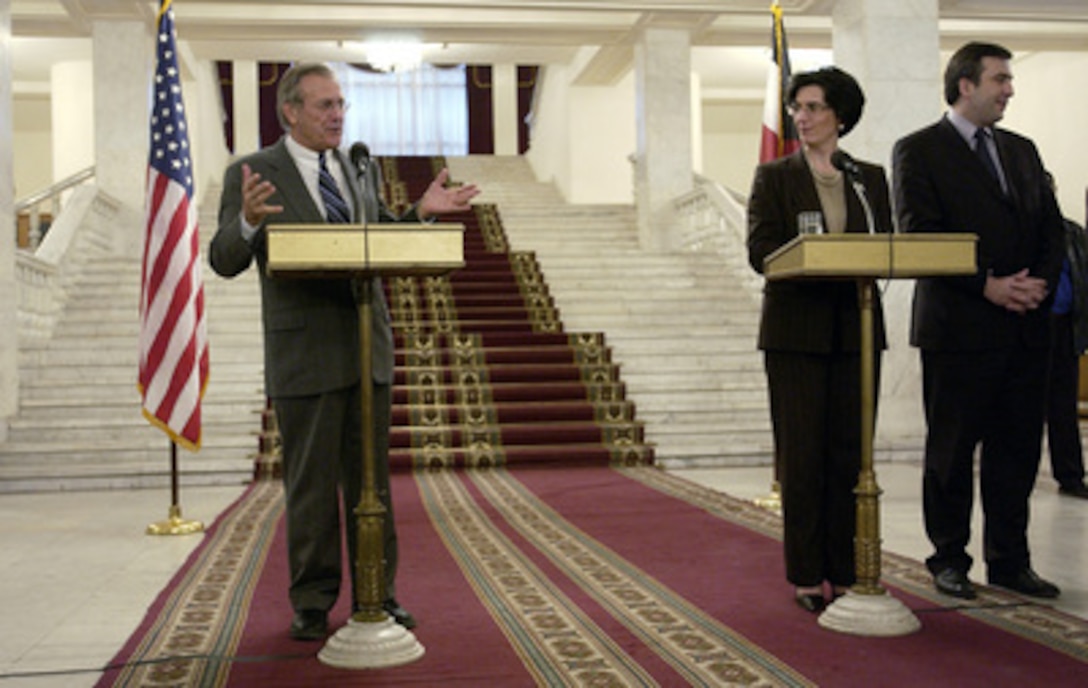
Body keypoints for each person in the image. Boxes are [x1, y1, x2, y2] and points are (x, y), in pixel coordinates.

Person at [209, 62, 479, 640]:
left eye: (340, 105)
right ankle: (312, 600)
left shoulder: (358, 166)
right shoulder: (253, 172)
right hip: (303, 354)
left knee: (371, 484)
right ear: (291, 111)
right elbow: (223, 258)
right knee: (309, 488)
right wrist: (249, 222)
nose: (337, 115)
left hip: (365, 346)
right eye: (324, 105)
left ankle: (380, 591)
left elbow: (375, 235)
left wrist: (421, 214)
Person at [892, 42, 1065, 600]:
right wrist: (988, 285)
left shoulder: (1022, 149)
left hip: (1025, 325)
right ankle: (948, 558)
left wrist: (1034, 283)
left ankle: (1010, 561)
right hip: (959, 327)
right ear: (966, 84)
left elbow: (1051, 228)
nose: (1009, 89)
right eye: (1000, 79)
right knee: (952, 450)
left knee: (1016, 450)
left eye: (1009, 79)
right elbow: (921, 236)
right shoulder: (919, 150)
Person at [747, 67, 893, 614]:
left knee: (850, 457)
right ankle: (808, 575)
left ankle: (849, 568)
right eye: (796, 109)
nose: (801, 118)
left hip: (857, 329)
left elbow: (887, 243)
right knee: (804, 458)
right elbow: (760, 249)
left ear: (840, 115)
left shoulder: (867, 177)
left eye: (812, 108)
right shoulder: (775, 177)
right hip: (796, 332)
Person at [1044, 176, 1088, 500]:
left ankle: (1071, 475)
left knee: (1063, 406)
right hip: (1031, 326)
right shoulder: (1021, 231)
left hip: (1066, 327)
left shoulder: (1073, 233)